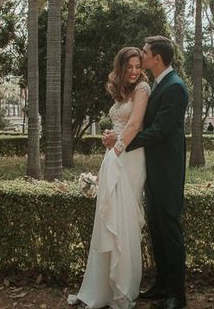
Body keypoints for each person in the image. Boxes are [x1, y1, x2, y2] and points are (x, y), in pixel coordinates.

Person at [104, 35, 189, 309]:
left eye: (145, 52)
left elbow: (159, 131)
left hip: (166, 171)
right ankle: (162, 285)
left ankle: (177, 294)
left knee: (170, 230)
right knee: (157, 229)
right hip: (150, 168)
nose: (142, 56)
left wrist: (122, 144)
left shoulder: (175, 87)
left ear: (157, 58)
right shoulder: (158, 84)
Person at [68, 47, 150, 309]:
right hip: (115, 154)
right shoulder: (121, 91)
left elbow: (135, 125)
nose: (135, 71)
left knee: (124, 219)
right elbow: (120, 125)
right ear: (121, 68)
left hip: (130, 157)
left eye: (138, 66)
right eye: (130, 67)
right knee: (109, 218)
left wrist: (116, 148)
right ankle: (101, 287)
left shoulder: (142, 89)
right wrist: (109, 139)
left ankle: (123, 289)